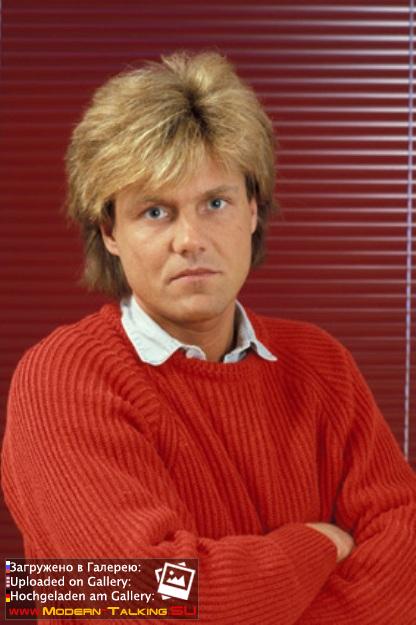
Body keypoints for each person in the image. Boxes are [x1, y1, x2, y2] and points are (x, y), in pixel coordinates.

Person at [2, 50, 416, 625]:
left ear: (253, 210)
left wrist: (237, 593)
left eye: (215, 203)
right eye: (155, 212)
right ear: (110, 231)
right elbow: (130, 600)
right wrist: (317, 544)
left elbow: (407, 566)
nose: (190, 239)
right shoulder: (61, 378)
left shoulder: (323, 365)